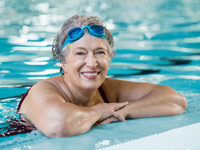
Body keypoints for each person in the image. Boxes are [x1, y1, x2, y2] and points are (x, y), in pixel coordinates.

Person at [17, 14, 187, 137]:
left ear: (109, 57)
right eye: (80, 54)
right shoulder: (44, 90)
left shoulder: (106, 89)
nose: (92, 63)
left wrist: (124, 110)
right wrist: (99, 111)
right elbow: (60, 124)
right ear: (63, 62)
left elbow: (176, 101)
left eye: (99, 52)